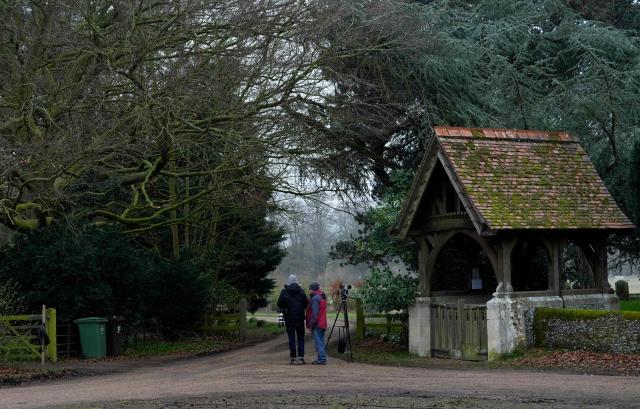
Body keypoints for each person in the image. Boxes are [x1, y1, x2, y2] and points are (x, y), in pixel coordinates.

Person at [277, 274, 308, 364]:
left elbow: (279, 304)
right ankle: (301, 357)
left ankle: (293, 358)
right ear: (297, 281)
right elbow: (306, 303)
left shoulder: (284, 292)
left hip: (289, 318)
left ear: (288, 282)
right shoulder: (301, 291)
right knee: (301, 337)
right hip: (300, 318)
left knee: (291, 338)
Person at [306, 282, 327, 365]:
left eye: (310, 289)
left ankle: (321, 359)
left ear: (313, 289)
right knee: (321, 341)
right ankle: (322, 357)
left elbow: (315, 314)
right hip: (323, 322)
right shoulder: (322, 297)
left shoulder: (315, 299)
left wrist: (311, 324)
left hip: (317, 323)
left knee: (318, 341)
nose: (309, 291)